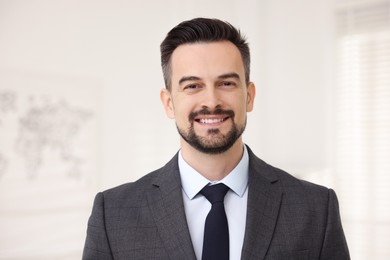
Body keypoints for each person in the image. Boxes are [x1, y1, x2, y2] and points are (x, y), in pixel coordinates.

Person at [82, 18, 350, 260]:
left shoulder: (315, 208)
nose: (211, 101)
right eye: (192, 86)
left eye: (227, 83)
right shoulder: (112, 214)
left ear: (249, 96)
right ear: (169, 103)